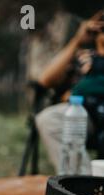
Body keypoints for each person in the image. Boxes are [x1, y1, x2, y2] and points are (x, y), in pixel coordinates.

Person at [35, 10, 104, 173]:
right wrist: (78, 40)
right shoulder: (84, 56)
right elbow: (45, 81)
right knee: (48, 119)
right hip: (86, 115)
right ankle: (83, 186)